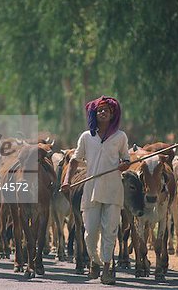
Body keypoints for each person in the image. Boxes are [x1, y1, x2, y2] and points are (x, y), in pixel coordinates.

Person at [61, 95, 130, 285]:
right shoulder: (86, 137)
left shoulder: (120, 137)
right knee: (90, 232)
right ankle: (95, 260)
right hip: (90, 188)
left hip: (113, 189)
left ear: (112, 114)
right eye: (99, 110)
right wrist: (67, 180)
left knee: (110, 230)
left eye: (106, 110)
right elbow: (74, 161)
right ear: (94, 113)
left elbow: (126, 159)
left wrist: (125, 165)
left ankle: (107, 268)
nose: (102, 112)